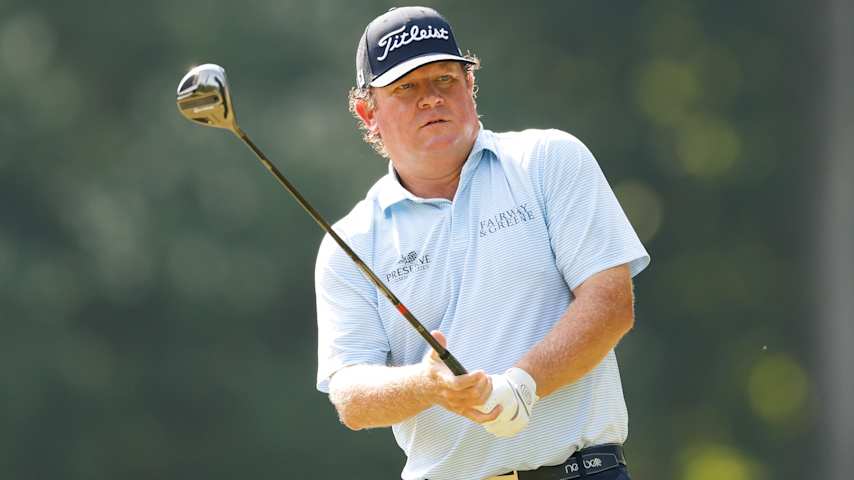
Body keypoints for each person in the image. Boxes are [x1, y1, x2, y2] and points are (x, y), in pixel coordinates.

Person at [315, 6, 650, 480]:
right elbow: (351, 396)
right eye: (406, 88)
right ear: (368, 112)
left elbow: (610, 303)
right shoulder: (351, 242)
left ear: (469, 85)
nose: (431, 98)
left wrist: (522, 385)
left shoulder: (547, 161)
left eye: (445, 79)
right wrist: (427, 384)